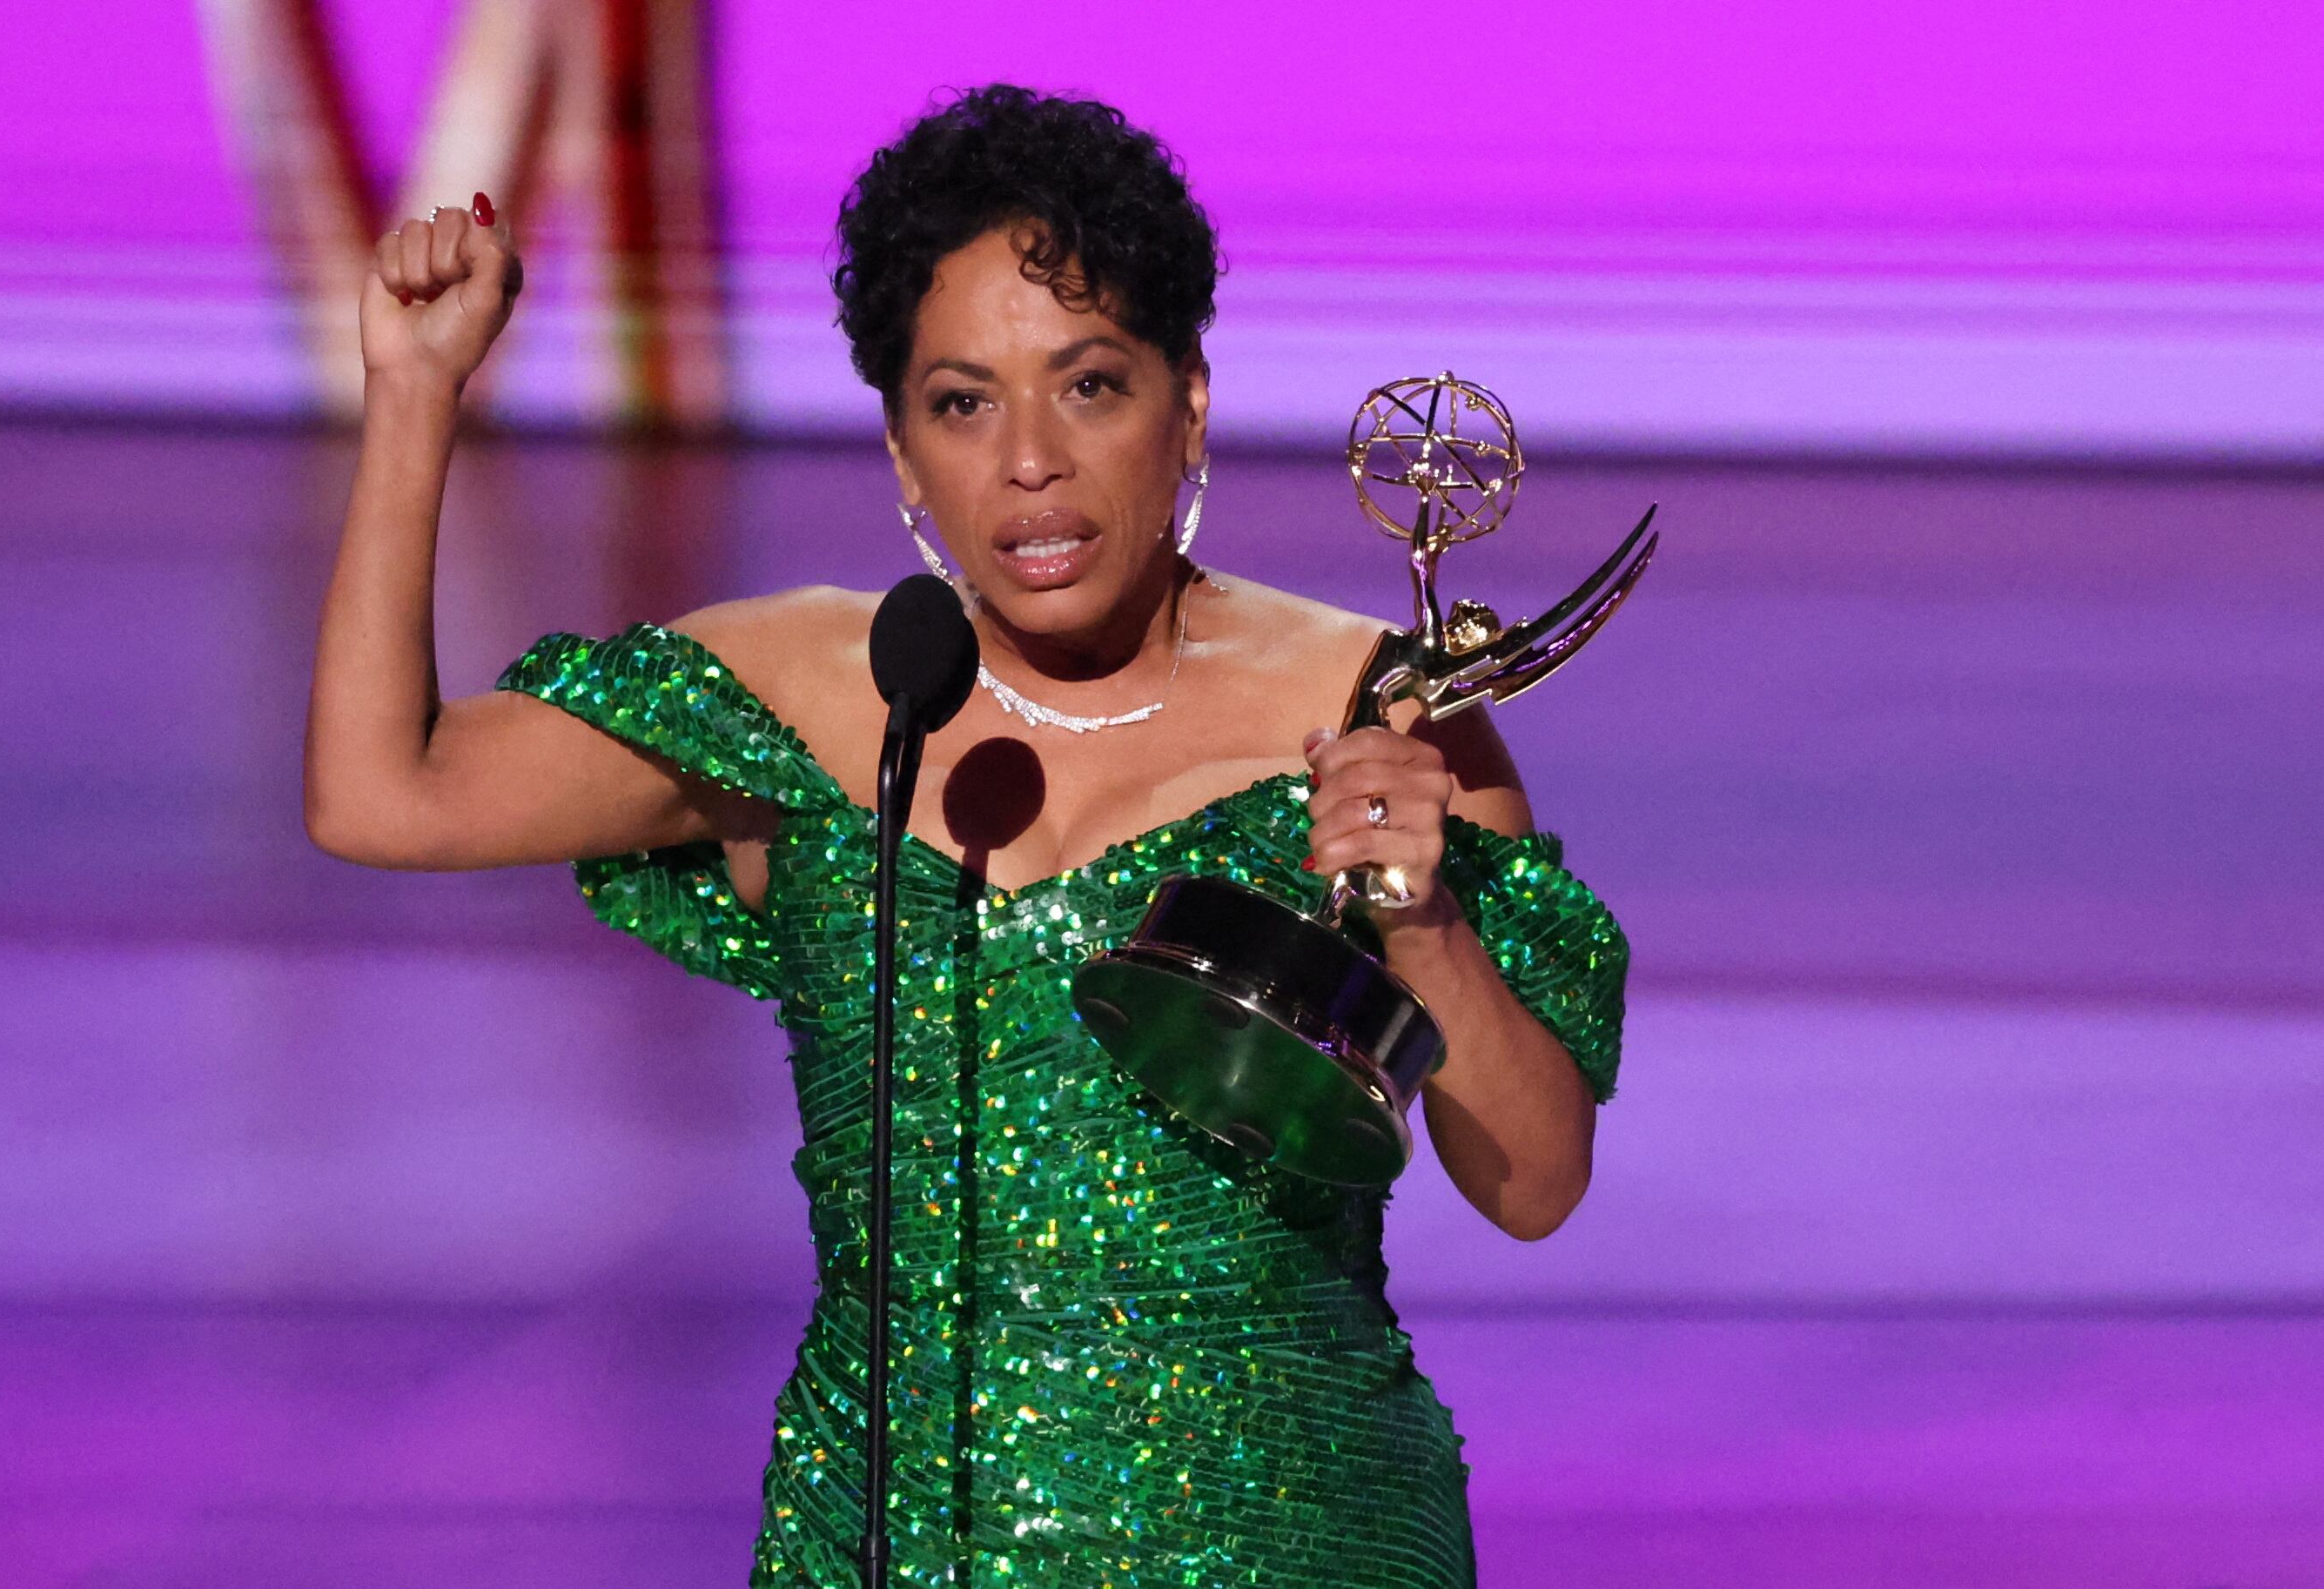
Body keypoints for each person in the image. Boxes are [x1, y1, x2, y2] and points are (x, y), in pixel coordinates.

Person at [305, 84, 1627, 1589]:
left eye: (1090, 384)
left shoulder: (1365, 711)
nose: (1029, 464)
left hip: (1296, 1536)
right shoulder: (815, 695)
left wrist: (1426, 922)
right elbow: (382, 791)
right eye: (962, 400)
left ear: (1186, 400)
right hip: (888, 1538)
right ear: (898, 446)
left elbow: (1535, 1182)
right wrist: (411, 395)